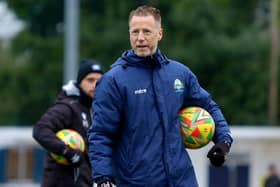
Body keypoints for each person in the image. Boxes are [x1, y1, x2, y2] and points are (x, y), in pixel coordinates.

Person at [88, 5, 233, 187]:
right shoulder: (113, 81)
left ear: (160, 34)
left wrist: (223, 141)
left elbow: (209, 106)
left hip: (182, 180)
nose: (140, 38)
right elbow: (101, 134)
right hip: (136, 182)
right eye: (135, 32)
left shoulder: (180, 74)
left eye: (147, 31)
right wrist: (103, 178)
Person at [33, 59, 103, 187]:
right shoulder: (67, 107)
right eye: (90, 80)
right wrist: (67, 152)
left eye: (99, 80)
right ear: (79, 82)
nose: (95, 85)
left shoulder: (93, 109)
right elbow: (40, 130)